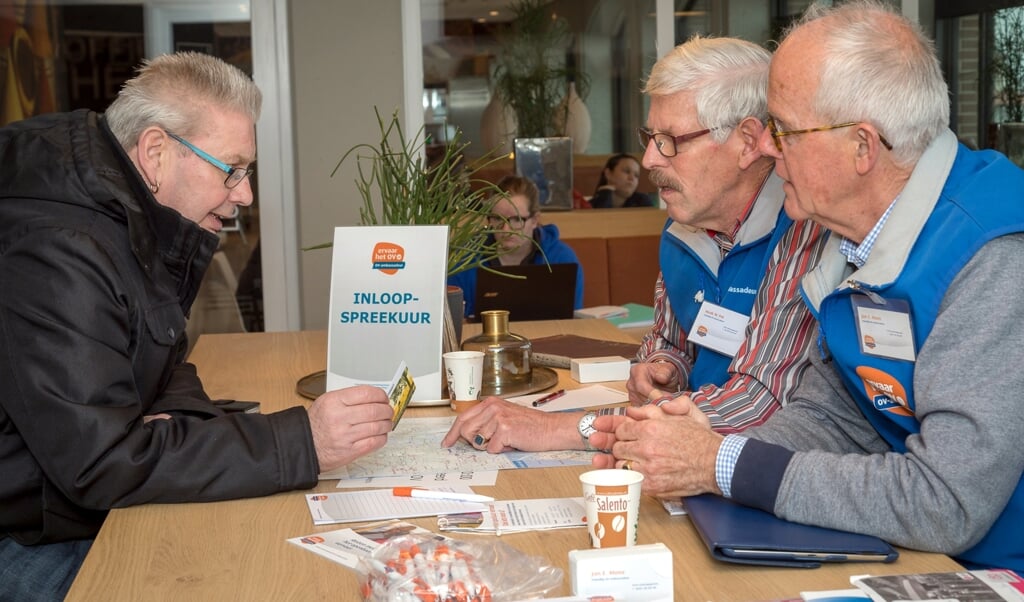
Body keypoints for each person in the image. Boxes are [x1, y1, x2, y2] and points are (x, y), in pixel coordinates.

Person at [592, 0, 1024, 572]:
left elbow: (945, 500)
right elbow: (832, 417)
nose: (766, 149)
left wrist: (723, 463)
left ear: (862, 148)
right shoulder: (856, 239)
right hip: (918, 555)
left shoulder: (993, 256)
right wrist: (716, 448)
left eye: (784, 131)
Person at [0, 52, 394, 599]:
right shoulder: (59, 249)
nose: (245, 194)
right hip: (28, 538)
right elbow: (101, 464)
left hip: (71, 509)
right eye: (230, 169)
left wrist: (154, 430)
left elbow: (165, 366)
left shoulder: (129, 217)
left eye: (247, 172)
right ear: (156, 152)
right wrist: (304, 441)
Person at [442, 36, 827, 453]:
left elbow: (757, 405)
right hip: (683, 454)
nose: (649, 160)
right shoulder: (684, 227)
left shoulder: (803, 229)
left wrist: (567, 429)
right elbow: (670, 341)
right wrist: (662, 368)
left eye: (669, 139)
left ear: (749, 142)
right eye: (650, 135)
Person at [447, 174, 584, 318]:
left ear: (535, 220)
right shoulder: (464, 260)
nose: (505, 229)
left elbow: (572, 321)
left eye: (517, 220)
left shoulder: (562, 258)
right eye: (498, 219)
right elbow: (453, 322)